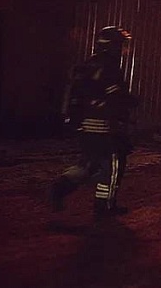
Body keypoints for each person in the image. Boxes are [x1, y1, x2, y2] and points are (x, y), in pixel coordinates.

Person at [50, 26, 139, 218]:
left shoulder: (88, 64)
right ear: (113, 46)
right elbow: (115, 96)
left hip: (85, 126)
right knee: (113, 164)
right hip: (105, 126)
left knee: (88, 164)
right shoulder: (109, 66)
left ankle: (60, 188)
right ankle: (105, 206)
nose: (125, 50)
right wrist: (133, 101)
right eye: (122, 45)